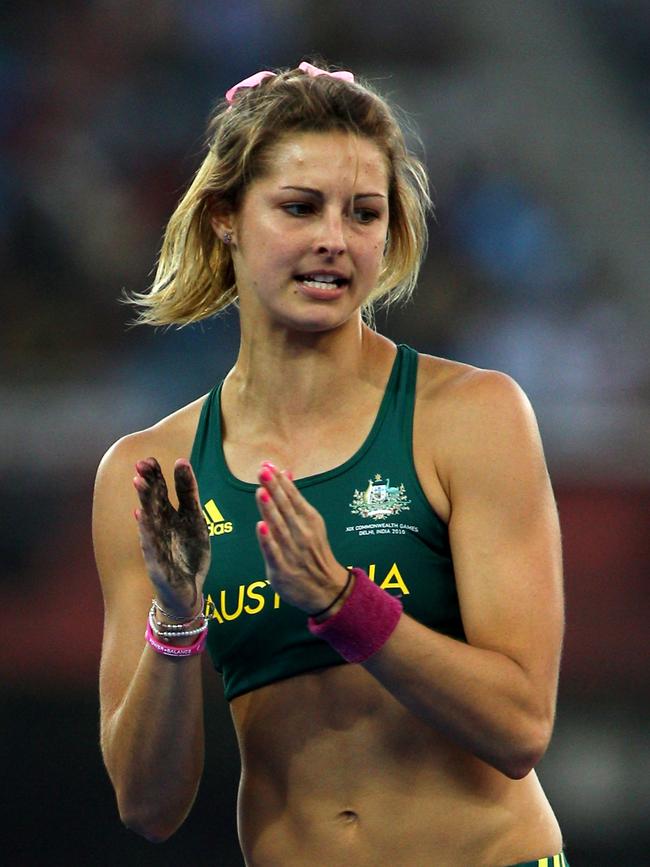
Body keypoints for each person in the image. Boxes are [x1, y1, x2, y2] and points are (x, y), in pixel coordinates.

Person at [94, 61, 569, 867]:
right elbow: (147, 805)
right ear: (224, 217)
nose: (334, 239)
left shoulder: (471, 417)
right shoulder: (152, 473)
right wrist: (176, 616)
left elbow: (520, 726)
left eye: (364, 213)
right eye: (300, 207)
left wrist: (345, 604)